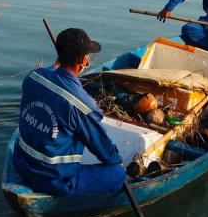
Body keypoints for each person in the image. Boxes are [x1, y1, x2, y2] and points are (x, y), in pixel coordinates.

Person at [11, 28, 127, 197]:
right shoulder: (82, 105)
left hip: (21, 164)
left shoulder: (33, 77)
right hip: (55, 180)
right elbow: (105, 153)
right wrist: (118, 162)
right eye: (88, 55)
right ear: (83, 60)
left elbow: (51, 75)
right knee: (117, 173)